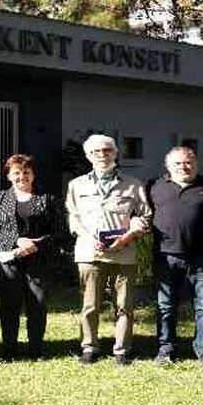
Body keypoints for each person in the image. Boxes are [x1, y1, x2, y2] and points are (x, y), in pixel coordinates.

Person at [65, 135, 151, 366]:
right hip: (89, 252)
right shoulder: (76, 185)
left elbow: (145, 217)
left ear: (115, 153)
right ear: (88, 156)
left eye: (107, 150)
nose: (102, 155)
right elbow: (73, 218)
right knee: (90, 305)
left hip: (124, 254)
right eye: (96, 152)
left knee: (124, 305)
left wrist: (127, 237)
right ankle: (89, 347)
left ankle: (122, 350)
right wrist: (87, 236)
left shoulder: (133, 184)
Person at [147, 146, 203, 369]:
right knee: (165, 305)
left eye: (189, 162)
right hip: (166, 256)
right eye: (178, 163)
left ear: (196, 164)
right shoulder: (155, 187)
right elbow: (142, 216)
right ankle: (166, 348)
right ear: (168, 166)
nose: (184, 166)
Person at [0, 154, 57, 360]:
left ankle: (36, 350)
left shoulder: (47, 199)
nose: (21, 176)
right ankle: (9, 351)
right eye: (16, 172)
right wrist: (18, 240)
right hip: (9, 260)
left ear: (33, 174)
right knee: (9, 306)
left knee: (38, 304)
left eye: (26, 172)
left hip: (38, 260)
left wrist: (35, 244)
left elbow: (59, 231)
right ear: (8, 175)